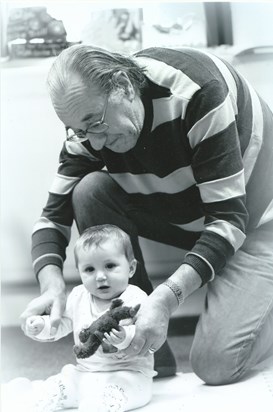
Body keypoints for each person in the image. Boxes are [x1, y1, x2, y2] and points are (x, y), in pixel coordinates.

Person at [21, 44, 273, 385]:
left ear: (124, 85)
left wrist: (166, 300)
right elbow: (52, 217)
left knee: (217, 365)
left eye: (95, 124)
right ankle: (148, 357)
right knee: (89, 190)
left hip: (256, 219)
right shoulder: (86, 126)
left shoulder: (198, 92)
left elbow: (227, 220)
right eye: (81, 131)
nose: (94, 144)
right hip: (197, 220)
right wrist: (52, 289)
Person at [6, 225, 155, 412]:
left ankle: (103, 404)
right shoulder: (78, 296)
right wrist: (42, 326)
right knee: (65, 382)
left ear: (131, 268)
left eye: (110, 266)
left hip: (128, 372)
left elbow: (145, 333)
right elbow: (63, 324)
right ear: (79, 272)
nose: (100, 276)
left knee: (123, 390)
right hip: (86, 372)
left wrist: (124, 337)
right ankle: (34, 393)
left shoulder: (137, 298)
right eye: (89, 269)